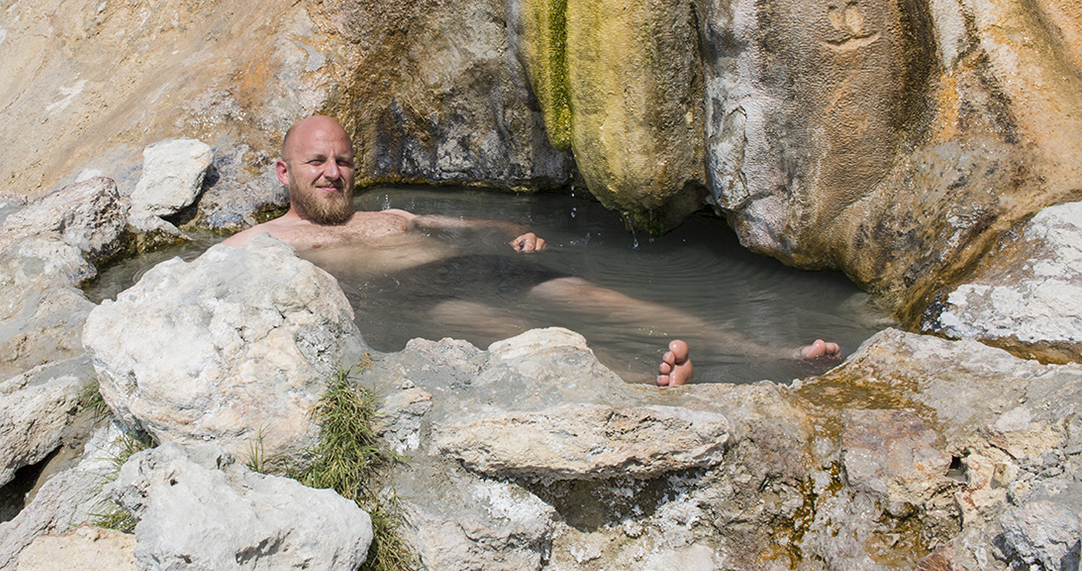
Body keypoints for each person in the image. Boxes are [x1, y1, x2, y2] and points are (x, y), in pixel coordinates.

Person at [224, 115, 841, 385]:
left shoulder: (394, 215)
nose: (333, 172)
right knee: (505, 329)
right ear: (285, 173)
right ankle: (638, 382)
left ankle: (773, 351)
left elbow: (477, 224)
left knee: (593, 294)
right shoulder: (261, 240)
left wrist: (515, 235)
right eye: (317, 162)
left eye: (343, 161)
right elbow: (189, 287)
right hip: (412, 298)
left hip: (473, 266)